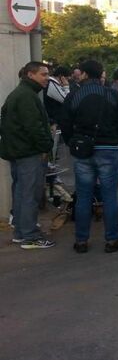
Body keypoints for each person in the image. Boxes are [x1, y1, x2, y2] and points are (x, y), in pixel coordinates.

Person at [61, 59, 118, 254]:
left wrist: (72, 142)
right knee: (110, 196)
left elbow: (65, 122)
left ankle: (81, 240)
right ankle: (112, 239)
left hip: (82, 150)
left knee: (83, 196)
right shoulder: (112, 95)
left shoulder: (74, 95)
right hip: (108, 148)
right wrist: (116, 139)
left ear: (83, 74)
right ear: (101, 75)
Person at [0, 62, 55, 249]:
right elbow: (34, 127)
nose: (47, 78)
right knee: (29, 194)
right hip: (28, 152)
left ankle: (21, 233)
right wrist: (46, 146)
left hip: (19, 151)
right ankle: (29, 236)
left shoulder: (21, 94)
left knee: (21, 192)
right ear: (30, 75)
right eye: (43, 74)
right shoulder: (26, 96)